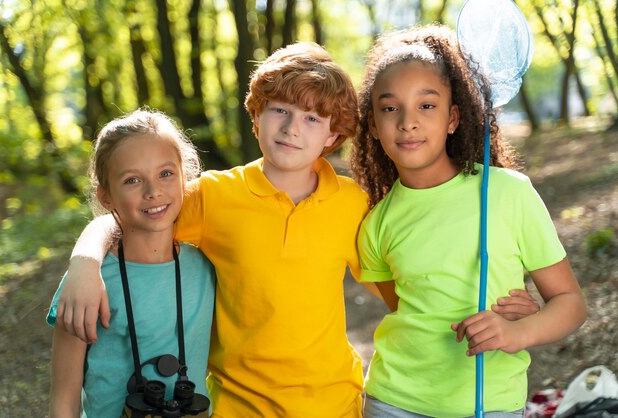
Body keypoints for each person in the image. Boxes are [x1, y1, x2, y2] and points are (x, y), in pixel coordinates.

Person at [53, 42, 541, 418]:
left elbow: (410, 292)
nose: (292, 128)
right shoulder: (214, 196)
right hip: (239, 405)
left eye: (311, 118)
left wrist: (502, 299)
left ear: (332, 136)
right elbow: (134, 212)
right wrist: (85, 260)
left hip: (334, 402)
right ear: (256, 116)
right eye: (279, 111)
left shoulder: (354, 204)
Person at [350, 24, 587, 418]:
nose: (407, 121)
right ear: (373, 125)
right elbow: (409, 308)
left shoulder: (508, 194)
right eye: (390, 108)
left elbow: (570, 304)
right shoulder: (376, 223)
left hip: (490, 403)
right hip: (393, 401)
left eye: (427, 105)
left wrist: (519, 331)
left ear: (453, 118)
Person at [47, 108, 216, 417]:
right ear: (106, 195)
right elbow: (63, 401)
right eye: (132, 180)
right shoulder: (88, 283)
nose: (153, 192)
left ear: (185, 179)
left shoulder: (208, 267)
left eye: (166, 174)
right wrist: (84, 263)